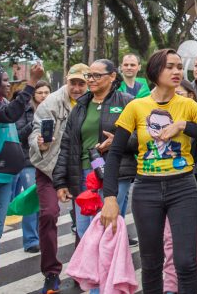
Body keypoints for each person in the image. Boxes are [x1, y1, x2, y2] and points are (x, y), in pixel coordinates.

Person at [100, 49, 197, 294]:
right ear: (155, 71)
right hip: (146, 190)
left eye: (180, 67)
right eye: (170, 66)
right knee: (151, 263)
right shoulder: (136, 107)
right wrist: (109, 197)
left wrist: (184, 125)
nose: (177, 72)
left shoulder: (188, 105)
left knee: (185, 262)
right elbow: (115, 153)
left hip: (183, 188)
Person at [0, 61, 44, 294]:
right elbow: (10, 114)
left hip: (4, 177)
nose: (8, 84)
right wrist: (31, 82)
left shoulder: (0, 103)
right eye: (4, 80)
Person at [52, 59, 136, 238]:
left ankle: (110, 266)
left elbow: (141, 138)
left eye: (97, 75)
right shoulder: (80, 106)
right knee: (84, 231)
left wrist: (119, 142)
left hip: (114, 172)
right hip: (82, 173)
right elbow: (67, 144)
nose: (91, 79)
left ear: (112, 76)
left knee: (106, 229)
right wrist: (60, 181)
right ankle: (91, 267)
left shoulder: (127, 102)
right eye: (89, 75)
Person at [28, 64, 89, 294]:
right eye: (72, 82)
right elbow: (35, 132)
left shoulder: (93, 103)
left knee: (84, 219)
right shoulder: (51, 102)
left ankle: (81, 268)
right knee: (48, 214)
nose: (76, 87)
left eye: (81, 83)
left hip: (78, 169)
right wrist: (40, 143)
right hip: (49, 169)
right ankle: (51, 272)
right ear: (66, 80)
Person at [162, 80, 197, 294]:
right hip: (165, 190)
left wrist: (185, 174)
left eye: (180, 93)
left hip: (194, 193)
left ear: (191, 97)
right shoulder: (161, 122)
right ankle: (171, 286)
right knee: (170, 241)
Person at [12, 79, 50, 254]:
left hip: (48, 161)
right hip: (28, 161)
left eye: (46, 92)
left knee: (46, 203)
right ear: (33, 95)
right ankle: (30, 240)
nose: (43, 96)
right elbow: (18, 135)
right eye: (39, 92)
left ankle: (43, 238)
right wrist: (35, 124)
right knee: (30, 200)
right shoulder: (26, 110)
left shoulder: (54, 109)